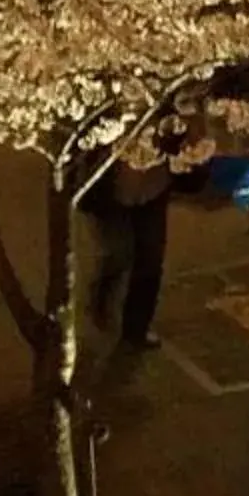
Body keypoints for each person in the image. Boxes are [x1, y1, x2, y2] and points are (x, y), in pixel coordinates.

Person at [84, 149, 172, 351]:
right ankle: (103, 297)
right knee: (120, 253)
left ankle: (136, 330)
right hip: (113, 191)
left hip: (153, 187)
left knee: (150, 259)